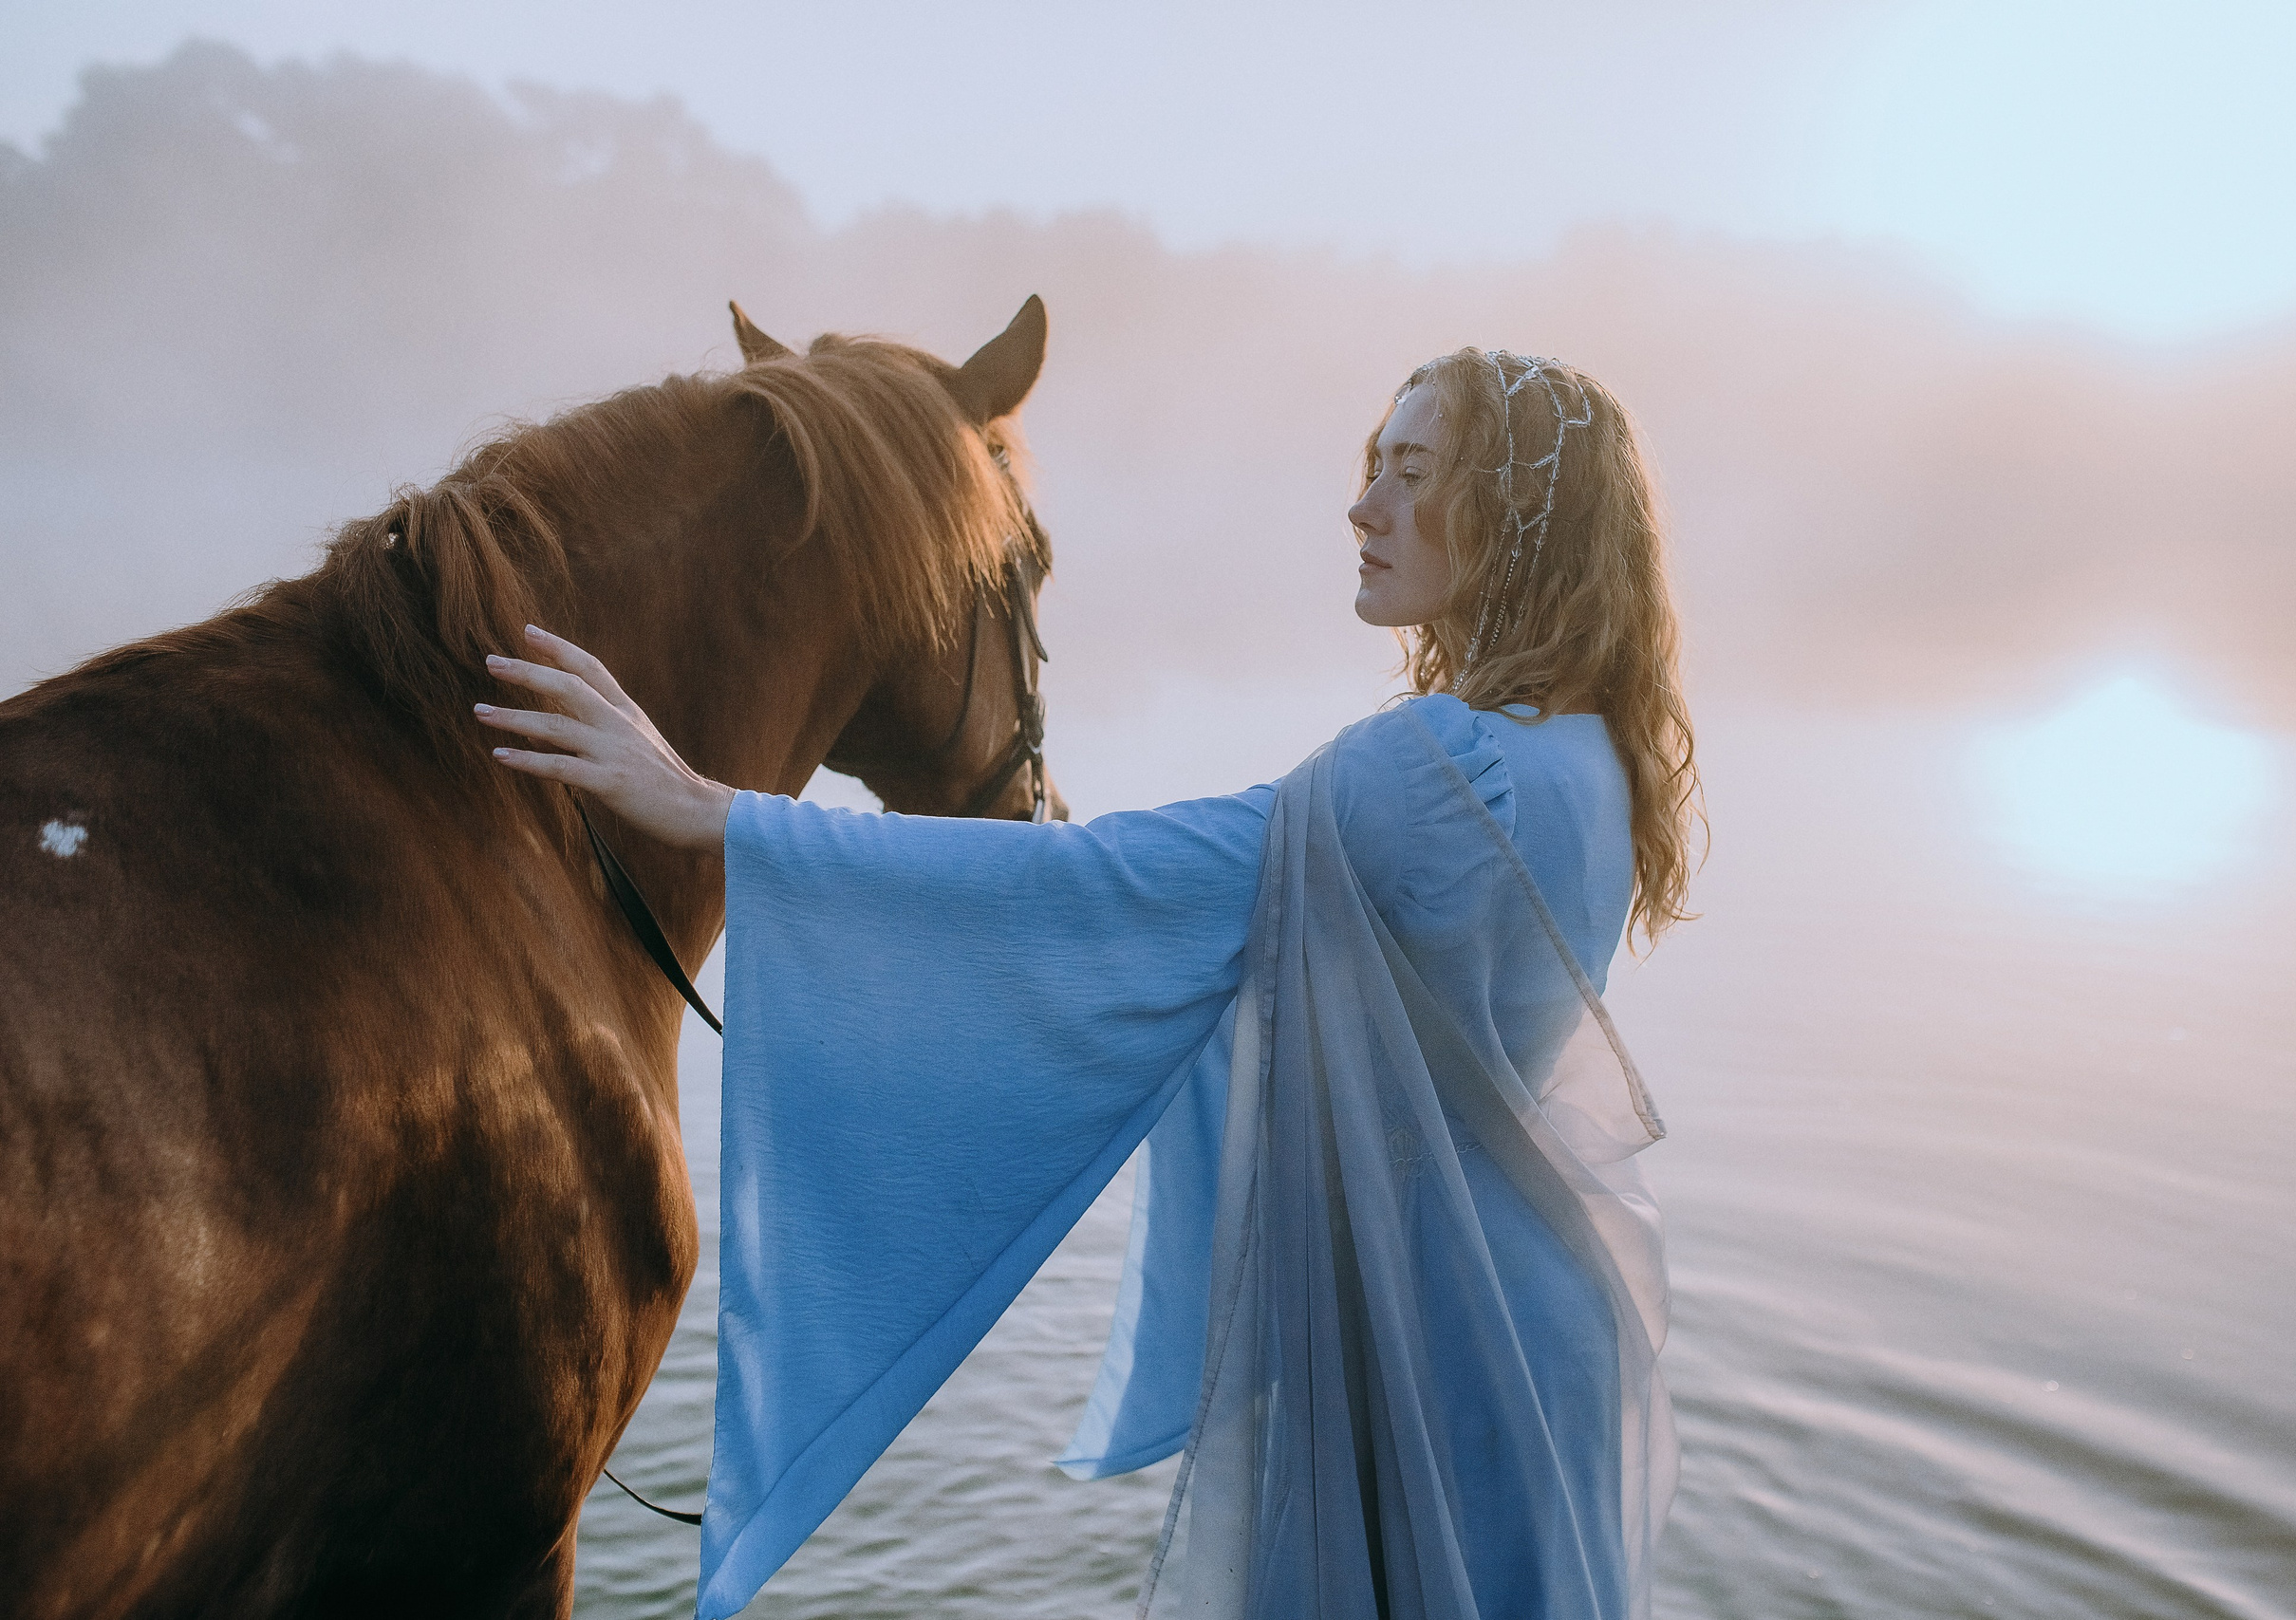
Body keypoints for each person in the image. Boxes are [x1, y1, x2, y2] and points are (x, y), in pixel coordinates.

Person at [479, 349, 1702, 1620]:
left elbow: (1107, 886)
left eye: (1413, 472)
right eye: (1373, 467)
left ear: (1513, 511)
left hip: (1429, 1337)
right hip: (1547, 1315)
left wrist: (713, 812)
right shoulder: (1593, 754)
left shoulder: (1439, 771)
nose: (1364, 507)